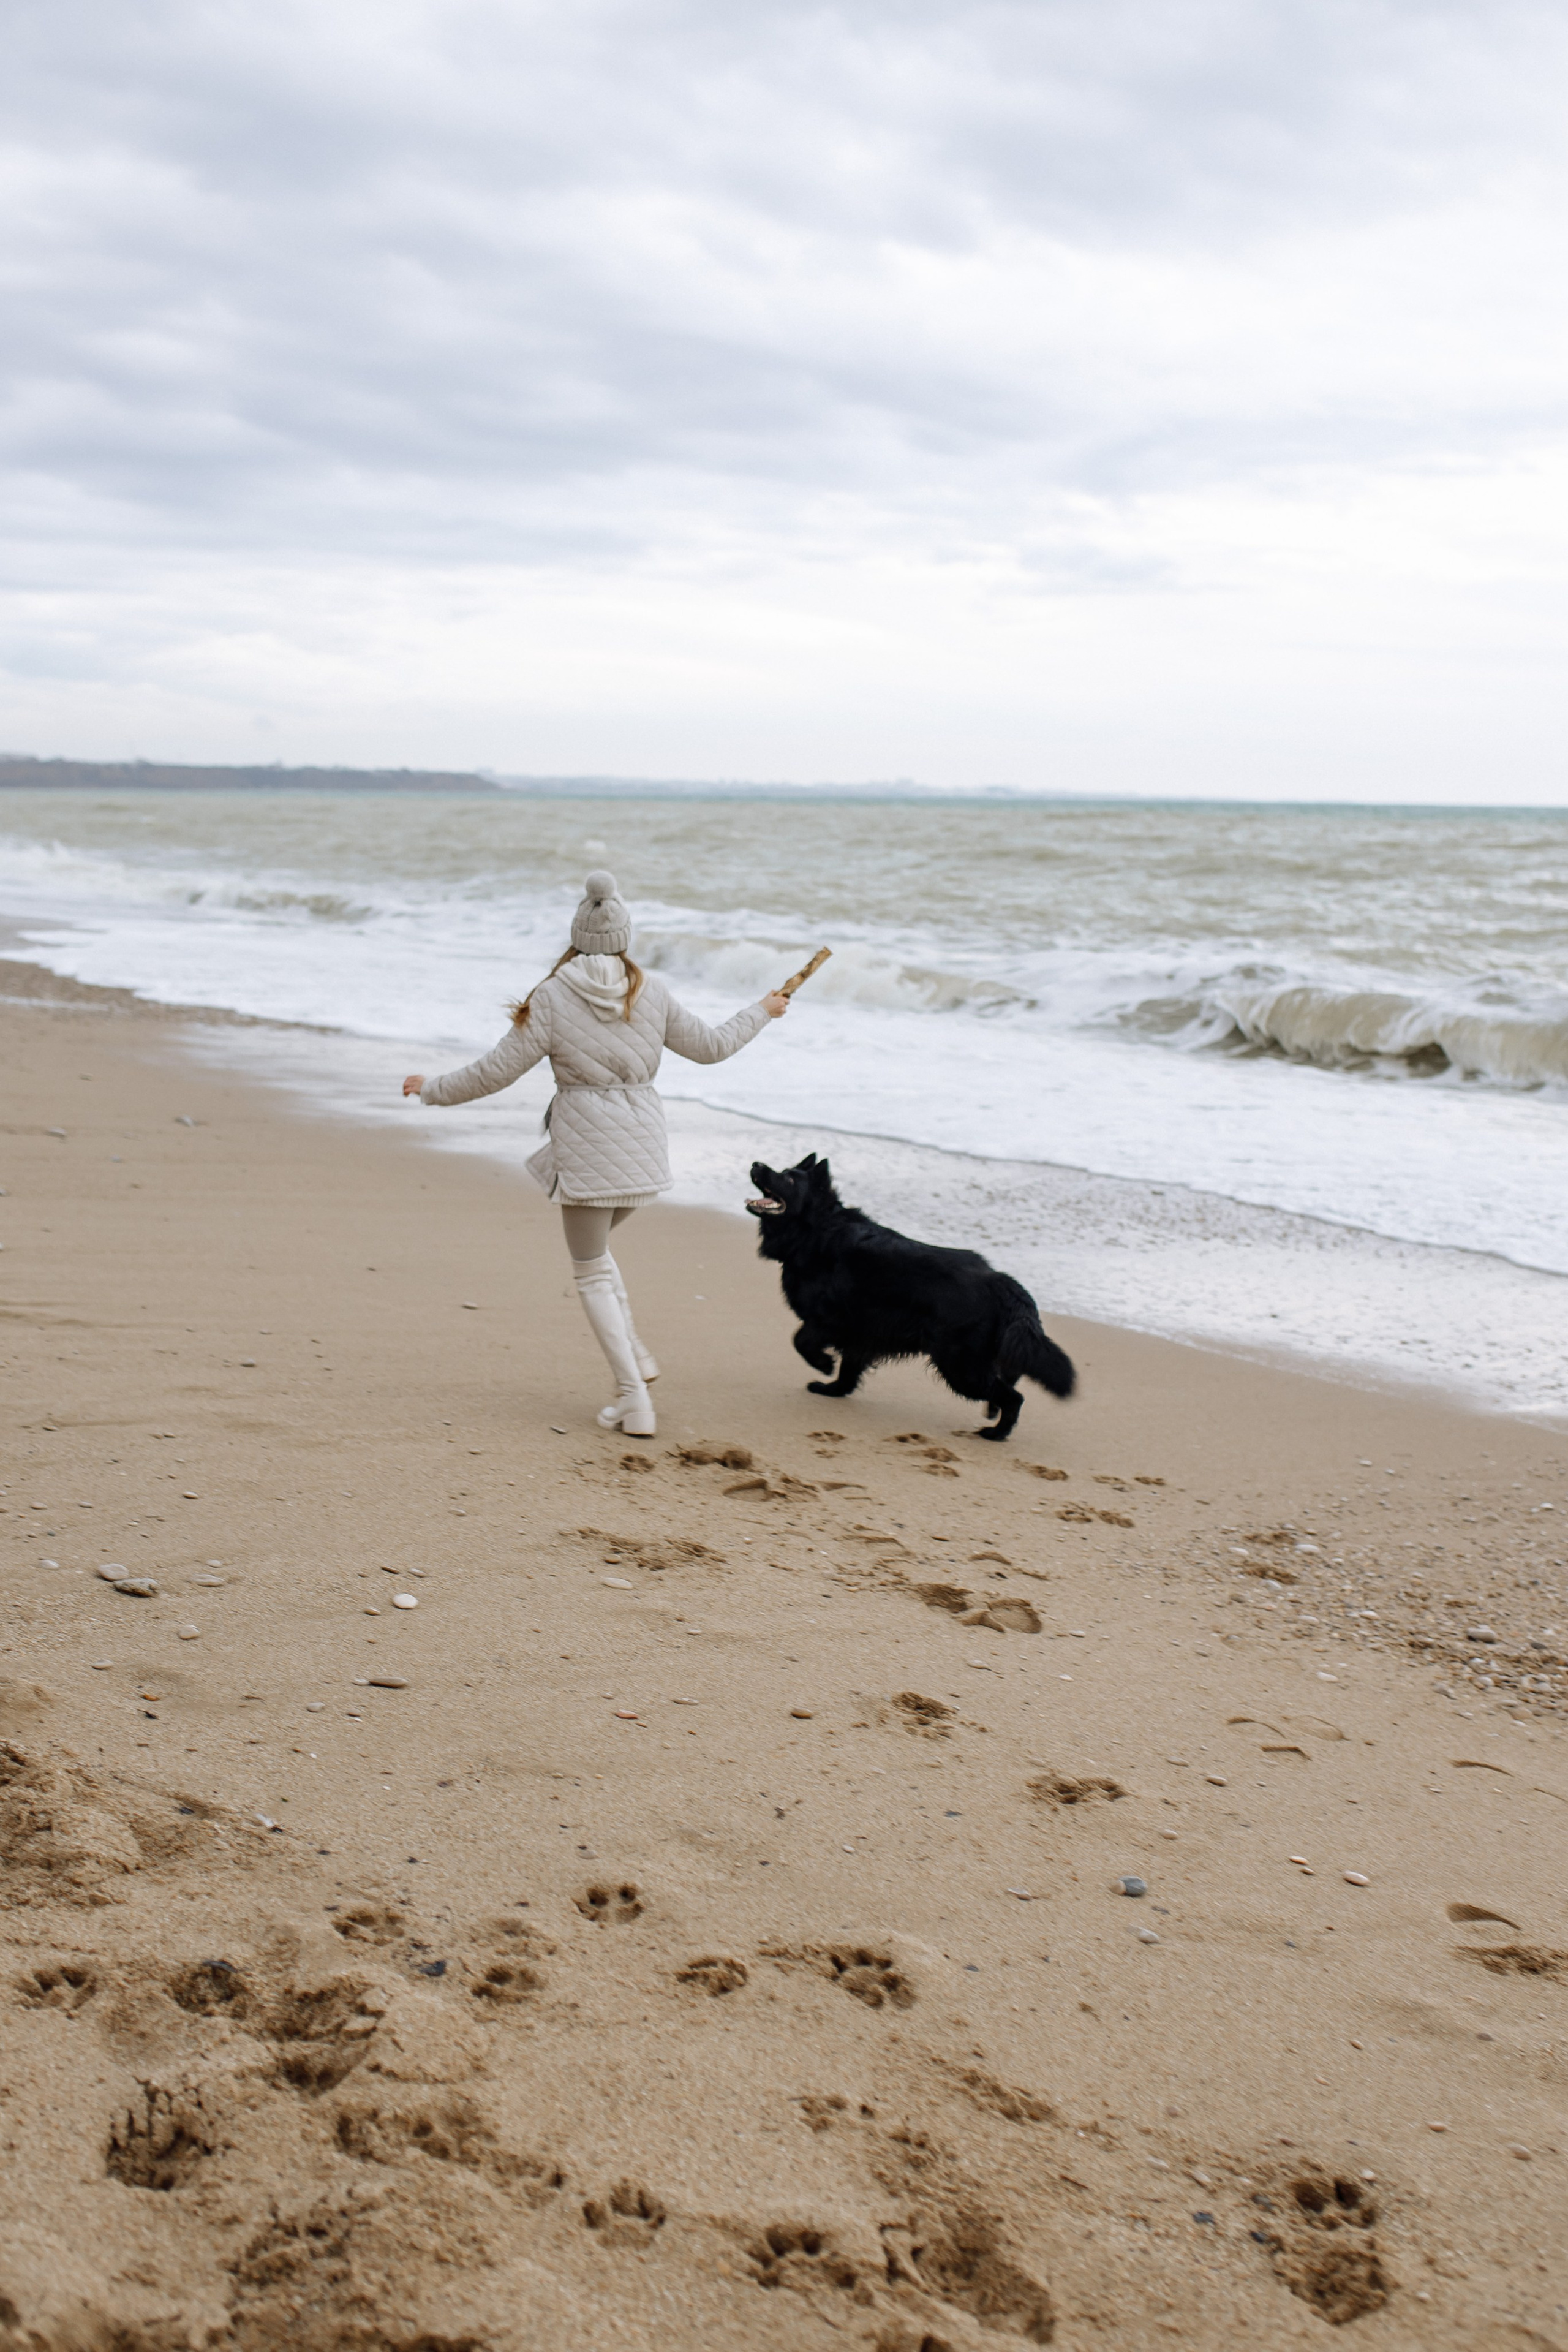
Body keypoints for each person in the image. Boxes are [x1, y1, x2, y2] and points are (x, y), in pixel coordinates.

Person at [403, 871, 787, 1437]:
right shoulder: (649, 989)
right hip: (642, 1147)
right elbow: (712, 1047)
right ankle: (637, 1361)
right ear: (624, 937)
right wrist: (762, 1009)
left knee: (589, 1271)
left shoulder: (554, 995)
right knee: (600, 1258)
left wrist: (432, 1087)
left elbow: (495, 1072)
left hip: (588, 1147)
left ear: (577, 936)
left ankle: (634, 1398)